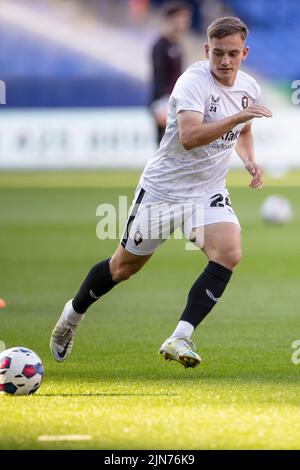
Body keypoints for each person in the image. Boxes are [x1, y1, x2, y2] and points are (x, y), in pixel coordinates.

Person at [50, 16, 272, 368]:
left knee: (228, 253)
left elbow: (244, 129)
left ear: (244, 53)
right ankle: (71, 316)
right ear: (206, 50)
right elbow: (189, 136)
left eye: (232, 54)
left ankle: (180, 336)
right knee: (122, 268)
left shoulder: (248, 88)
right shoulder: (193, 83)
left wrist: (250, 161)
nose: (225, 61)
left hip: (207, 190)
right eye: (217, 54)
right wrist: (236, 118)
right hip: (164, 190)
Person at [150, 1, 192, 145]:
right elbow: (158, 78)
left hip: (177, 102)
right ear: (171, 19)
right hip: (164, 103)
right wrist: (158, 107)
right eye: (182, 18)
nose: (185, 22)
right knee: (164, 148)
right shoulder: (160, 45)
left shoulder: (178, 45)